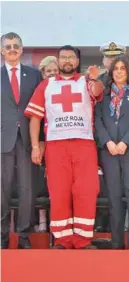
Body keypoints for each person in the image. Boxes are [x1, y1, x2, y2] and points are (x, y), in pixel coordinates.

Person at [24, 45, 104, 249]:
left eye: (71, 57)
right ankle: (62, 239)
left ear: (77, 61)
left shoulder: (86, 82)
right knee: (59, 191)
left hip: (83, 143)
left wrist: (94, 78)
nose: (67, 61)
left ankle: (83, 239)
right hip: (55, 145)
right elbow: (35, 117)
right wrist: (35, 145)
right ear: (58, 61)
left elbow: (97, 93)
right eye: (63, 57)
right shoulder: (46, 85)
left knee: (85, 190)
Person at [94, 56, 129, 249]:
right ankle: (117, 243)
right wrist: (108, 142)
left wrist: (124, 142)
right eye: (115, 68)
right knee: (114, 196)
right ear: (110, 72)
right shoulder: (102, 97)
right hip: (109, 152)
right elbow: (97, 121)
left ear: (128, 72)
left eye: (123, 68)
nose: (118, 72)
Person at [1, 32, 42, 249]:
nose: (12, 49)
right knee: (2, 190)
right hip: (2, 140)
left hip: (28, 140)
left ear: (22, 49)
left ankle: (24, 236)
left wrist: (40, 142)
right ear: (1, 50)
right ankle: (2, 238)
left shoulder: (34, 76)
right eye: (7, 46)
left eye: (16, 45)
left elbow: (42, 110)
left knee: (27, 190)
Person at [33, 55, 60, 233]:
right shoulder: (40, 90)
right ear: (43, 73)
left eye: (55, 71)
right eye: (48, 71)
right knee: (41, 185)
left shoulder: (66, 89)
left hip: (58, 145)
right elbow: (37, 119)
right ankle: (42, 219)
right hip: (42, 145)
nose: (52, 74)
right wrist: (39, 144)